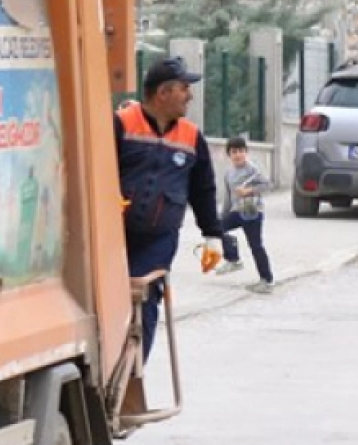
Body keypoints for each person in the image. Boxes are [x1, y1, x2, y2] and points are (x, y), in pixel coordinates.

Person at [115, 56, 223, 358]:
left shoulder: (190, 136)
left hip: (158, 240)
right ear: (163, 93)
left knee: (145, 299)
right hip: (113, 235)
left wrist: (212, 235)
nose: (189, 95)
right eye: (184, 88)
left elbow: (203, 189)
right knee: (109, 301)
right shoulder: (122, 124)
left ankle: (133, 372)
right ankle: (106, 374)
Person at [214, 135, 275, 294]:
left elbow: (268, 184)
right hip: (236, 211)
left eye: (241, 151)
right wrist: (223, 215)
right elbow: (228, 198)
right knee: (217, 228)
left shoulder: (252, 169)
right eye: (234, 152)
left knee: (255, 246)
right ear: (229, 155)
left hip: (252, 213)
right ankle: (233, 260)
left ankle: (267, 281)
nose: (238, 155)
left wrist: (248, 191)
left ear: (246, 152)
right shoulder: (229, 174)